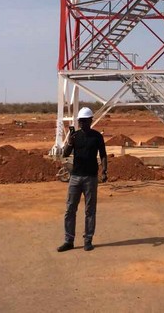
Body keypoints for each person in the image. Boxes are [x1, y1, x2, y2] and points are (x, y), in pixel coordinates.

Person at [57, 107, 107, 252]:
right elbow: (65, 154)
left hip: (91, 177)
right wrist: (70, 143)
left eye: (85, 121)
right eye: (81, 121)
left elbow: (103, 154)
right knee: (70, 209)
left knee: (90, 210)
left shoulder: (97, 136)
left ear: (91, 121)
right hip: (75, 177)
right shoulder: (75, 136)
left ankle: (88, 240)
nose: (82, 124)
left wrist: (104, 170)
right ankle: (68, 240)